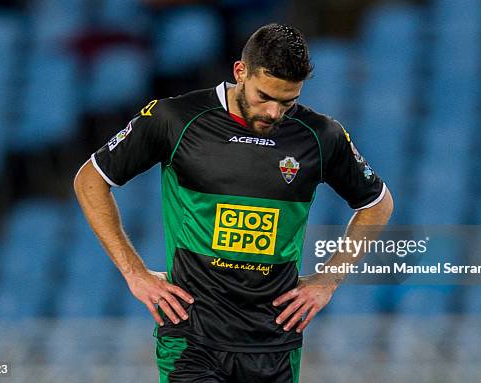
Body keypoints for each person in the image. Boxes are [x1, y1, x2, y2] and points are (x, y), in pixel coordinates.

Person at [74, 23, 393, 383]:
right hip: (192, 336)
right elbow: (90, 179)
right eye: (265, 97)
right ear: (240, 72)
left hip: (274, 342)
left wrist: (328, 280)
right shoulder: (176, 119)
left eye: (288, 101)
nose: (274, 113)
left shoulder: (320, 136)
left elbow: (377, 204)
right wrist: (134, 273)